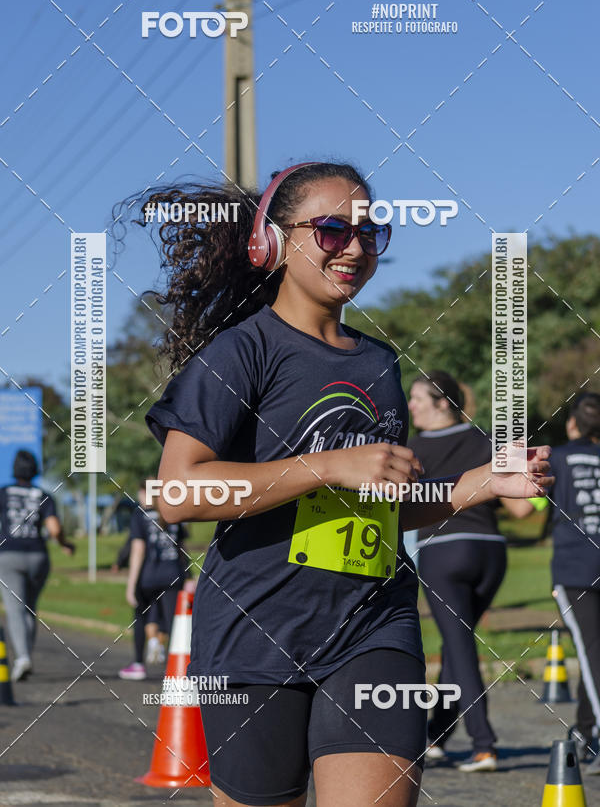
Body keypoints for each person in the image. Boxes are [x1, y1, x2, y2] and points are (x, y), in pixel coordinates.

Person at [126, 162, 552, 807]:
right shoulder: (241, 353)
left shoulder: (380, 361)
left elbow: (379, 505)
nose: (352, 247)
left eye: (368, 231)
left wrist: (474, 485)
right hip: (255, 633)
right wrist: (325, 467)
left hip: (372, 624)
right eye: (330, 230)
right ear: (272, 240)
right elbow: (180, 494)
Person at [407, 372, 533, 772]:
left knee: (459, 645)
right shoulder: (486, 441)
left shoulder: (410, 449)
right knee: (456, 641)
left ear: (443, 403)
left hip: (443, 553)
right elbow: (523, 509)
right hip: (492, 554)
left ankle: (484, 745)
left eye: (417, 399)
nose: (411, 407)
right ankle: (438, 736)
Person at [545, 392, 600, 775]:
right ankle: (585, 732)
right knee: (594, 653)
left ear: (572, 424)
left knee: (592, 654)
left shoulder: (558, 459)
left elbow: (522, 506)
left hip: (575, 568)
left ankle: (590, 732)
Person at [0, 449, 74, 680]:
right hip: (38, 557)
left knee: (14, 610)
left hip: (8, 556)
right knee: (29, 608)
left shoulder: (2, 493)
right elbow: (54, 529)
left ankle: (22, 658)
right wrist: (65, 544)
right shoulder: (44, 495)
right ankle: (25, 657)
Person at [119, 478, 188, 680]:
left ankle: (139, 664)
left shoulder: (139, 514)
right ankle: (174, 670)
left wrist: (131, 585)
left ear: (145, 493)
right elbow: (181, 548)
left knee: (140, 617)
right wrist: (188, 575)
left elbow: (138, 550)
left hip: (148, 576)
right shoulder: (175, 513)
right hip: (173, 574)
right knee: (172, 621)